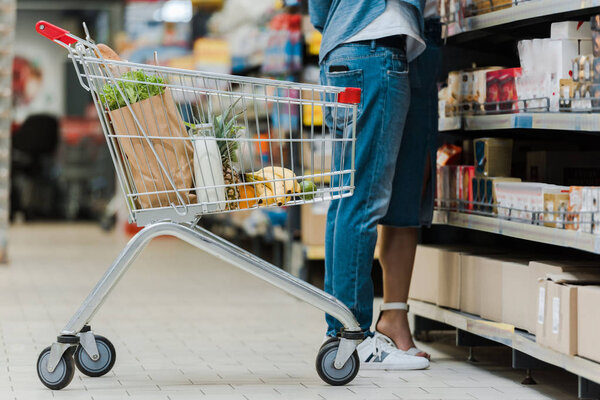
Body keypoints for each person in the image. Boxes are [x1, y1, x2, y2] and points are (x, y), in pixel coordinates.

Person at [309, 0, 442, 370]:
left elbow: (319, 12)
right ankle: (353, 335)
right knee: (362, 202)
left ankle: (339, 329)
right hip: (375, 50)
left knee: (348, 198)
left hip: (346, 48)